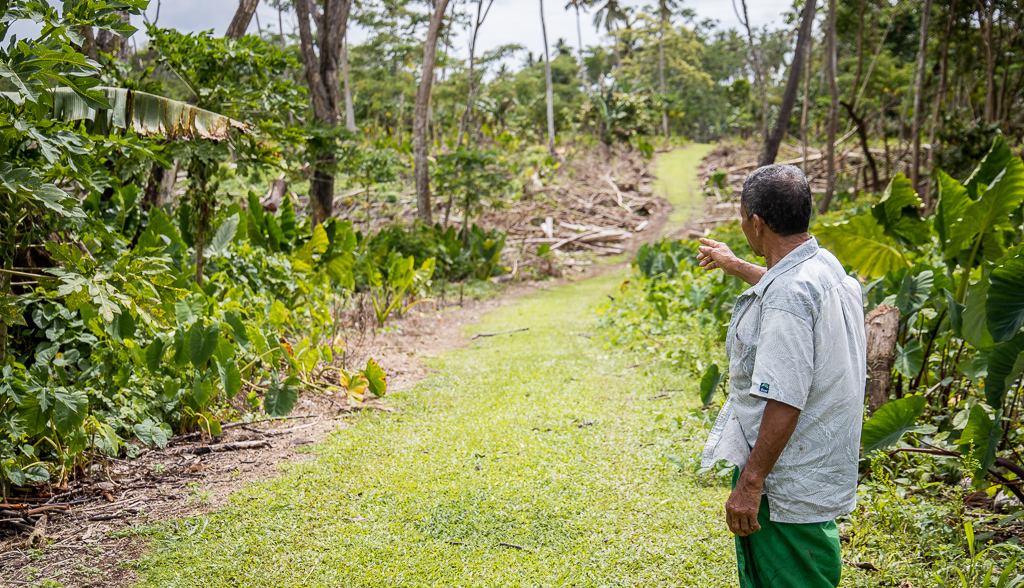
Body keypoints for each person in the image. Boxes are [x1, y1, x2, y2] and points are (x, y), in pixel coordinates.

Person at [696, 164, 866, 588]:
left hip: (785, 478)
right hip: (819, 463)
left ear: (756, 222)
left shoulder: (789, 296)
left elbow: (784, 399)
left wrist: (750, 484)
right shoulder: (824, 265)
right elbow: (789, 290)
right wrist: (736, 266)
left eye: (742, 218)